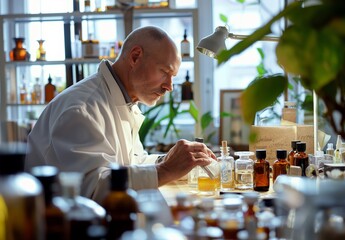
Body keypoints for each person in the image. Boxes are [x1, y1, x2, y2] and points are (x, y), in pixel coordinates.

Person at [25, 26, 216, 203]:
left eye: (173, 77)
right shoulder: (82, 108)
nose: (169, 86)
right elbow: (93, 190)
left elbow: (133, 163)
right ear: (135, 57)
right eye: (164, 72)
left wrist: (166, 160)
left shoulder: (122, 100)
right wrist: (166, 170)